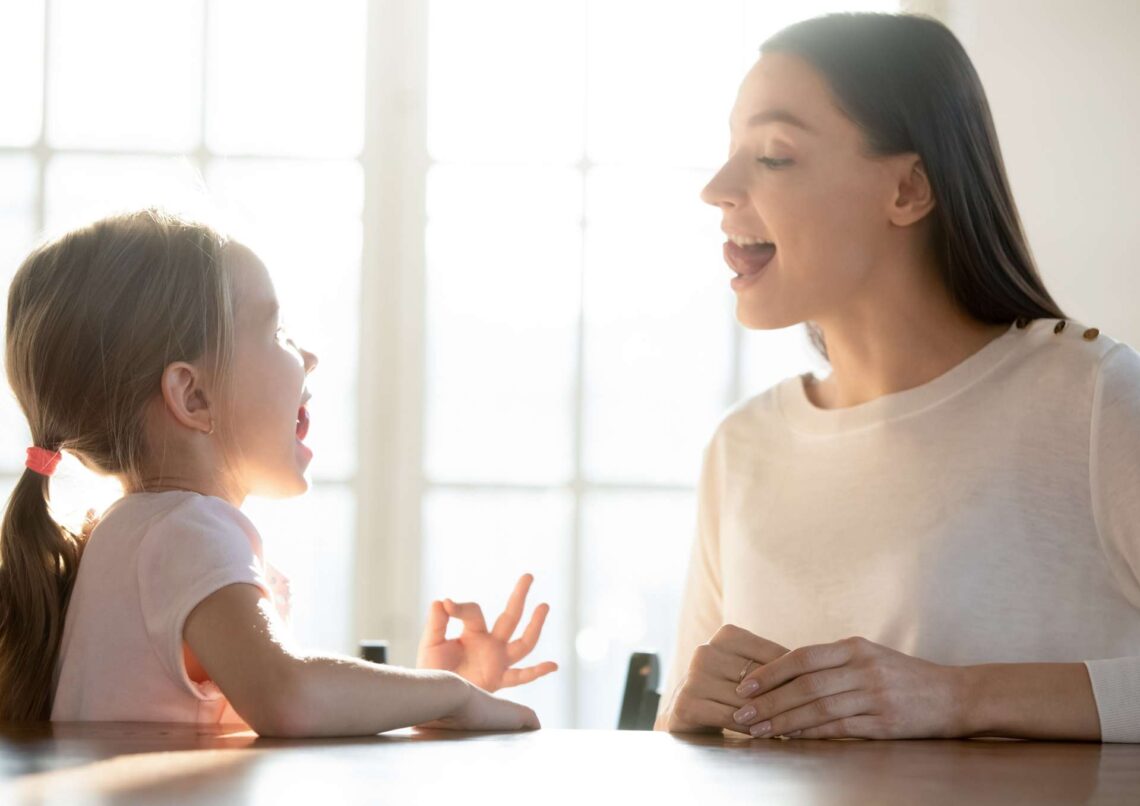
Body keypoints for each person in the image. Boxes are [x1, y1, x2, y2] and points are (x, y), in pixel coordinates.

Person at [656, 13, 1140, 743]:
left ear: (909, 190)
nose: (718, 189)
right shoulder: (742, 446)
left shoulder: (1092, 400)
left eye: (775, 156)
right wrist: (689, 721)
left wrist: (959, 699)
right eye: (730, 153)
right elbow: (684, 754)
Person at [0, 209, 557, 736]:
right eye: (278, 332)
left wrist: (431, 705)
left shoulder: (136, 535)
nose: (309, 356)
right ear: (192, 395)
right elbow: (290, 697)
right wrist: (450, 693)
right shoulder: (186, 532)